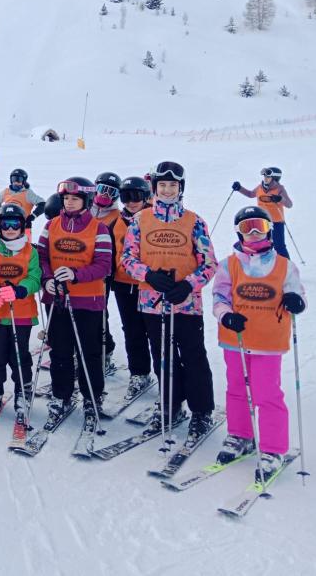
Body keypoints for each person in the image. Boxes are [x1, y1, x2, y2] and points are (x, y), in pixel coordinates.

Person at [121, 161, 218, 440]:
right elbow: (127, 259)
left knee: (193, 356)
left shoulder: (194, 221)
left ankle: (201, 411)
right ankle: (171, 405)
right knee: (162, 357)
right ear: (154, 188)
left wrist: (189, 284)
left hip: (186, 303)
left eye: (172, 185)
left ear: (180, 188)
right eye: (162, 185)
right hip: (152, 302)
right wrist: (148, 275)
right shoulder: (141, 220)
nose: (167, 190)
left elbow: (209, 263)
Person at [212, 206, 306, 476]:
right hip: (236, 339)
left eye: (259, 227)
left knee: (267, 394)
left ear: (268, 229)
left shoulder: (284, 265)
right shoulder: (228, 264)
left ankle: (273, 449)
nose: (253, 233)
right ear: (238, 233)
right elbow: (219, 297)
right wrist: (226, 315)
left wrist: (296, 301)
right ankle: (240, 435)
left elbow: (298, 294)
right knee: (237, 390)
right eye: (246, 227)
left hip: (268, 341)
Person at [37, 177, 112, 421]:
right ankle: (62, 394)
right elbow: (41, 256)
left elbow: (104, 265)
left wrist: (76, 275)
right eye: (66, 198)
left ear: (85, 201)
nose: (69, 203)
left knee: (88, 351)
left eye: (75, 199)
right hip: (56, 298)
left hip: (87, 301)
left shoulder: (98, 228)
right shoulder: (51, 225)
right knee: (59, 350)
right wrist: (46, 279)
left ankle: (92, 397)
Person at [0, 203, 42, 423]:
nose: (11, 228)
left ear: (22, 225)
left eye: (15, 223)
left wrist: (20, 289)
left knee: (19, 355)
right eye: (6, 223)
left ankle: (23, 390)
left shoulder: (30, 251)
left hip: (21, 313)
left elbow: (35, 277)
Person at [108, 177, 155, 401]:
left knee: (156, 331)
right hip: (124, 283)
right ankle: (139, 372)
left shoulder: (155, 218)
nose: (132, 202)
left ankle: (166, 374)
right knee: (132, 329)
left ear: (146, 197)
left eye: (137, 196)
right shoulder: (116, 222)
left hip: (150, 284)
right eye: (126, 197)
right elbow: (109, 252)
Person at [92, 171, 123, 372]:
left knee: (99, 312)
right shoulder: (85, 209)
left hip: (104, 272)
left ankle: (105, 349)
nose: (105, 195)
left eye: (111, 191)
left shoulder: (116, 216)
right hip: (82, 270)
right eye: (102, 189)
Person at [232, 168, 292, 258]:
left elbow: (289, 204)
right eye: (265, 177)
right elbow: (250, 194)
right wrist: (239, 188)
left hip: (276, 222)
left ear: (274, 178)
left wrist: (280, 199)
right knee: (263, 245)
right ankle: (265, 265)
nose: (265, 179)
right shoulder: (260, 187)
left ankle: (286, 267)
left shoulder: (279, 189)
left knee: (279, 246)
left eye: (268, 177)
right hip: (262, 222)